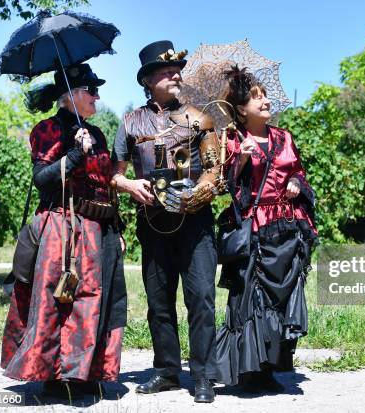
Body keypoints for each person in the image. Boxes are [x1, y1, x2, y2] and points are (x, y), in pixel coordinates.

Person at [1, 63, 127, 399]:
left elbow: (103, 186)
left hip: (97, 229)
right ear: (70, 95)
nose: (97, 96)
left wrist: (117, 227)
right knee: (58, 298)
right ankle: (55, 375)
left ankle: (86, 373)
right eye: (91, 90)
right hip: (60, 225)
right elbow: (41, 179)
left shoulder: (97, 133)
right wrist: (73, 154)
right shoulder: (47, 130)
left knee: (94, 302)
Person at [111, 40, 221, 403]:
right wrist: (129, 185)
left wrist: (197, 195)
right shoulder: (129, 123)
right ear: (148, 80)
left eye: (177, 71)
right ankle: (167, 371)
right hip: (152, 223)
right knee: (159, 301)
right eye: (166, 71)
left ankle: (204, 375)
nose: (175, 75)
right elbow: (114, 175)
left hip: (196, 225)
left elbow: (213, 171)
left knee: (201, 298)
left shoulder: (200, 117)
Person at [215, 66, 317, 392]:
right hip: (254, 230)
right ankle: (249, 371)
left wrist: (295, 184)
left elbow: (300, 174)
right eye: (257, 98)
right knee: (250, 299)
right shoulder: (231, 140)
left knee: (282, 298)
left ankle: (272, 368)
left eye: (265, 95)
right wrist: (239, 160)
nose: (266, 101)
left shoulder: (284, 137)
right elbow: (223, 185)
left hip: (286, 227)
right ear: (241, 110)